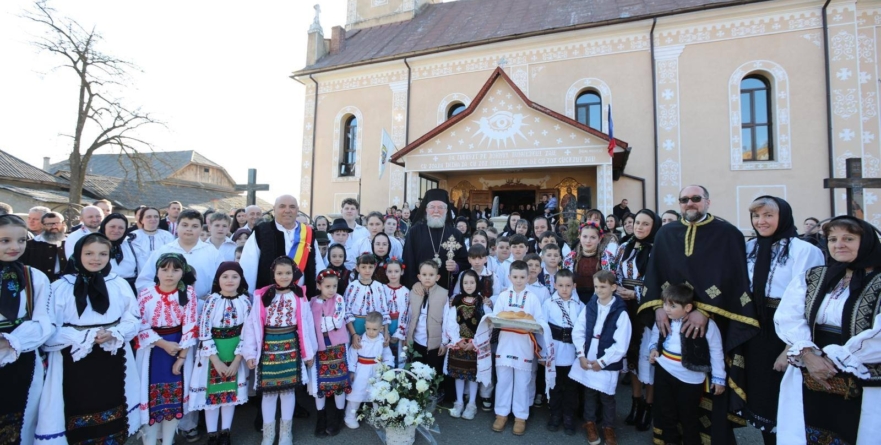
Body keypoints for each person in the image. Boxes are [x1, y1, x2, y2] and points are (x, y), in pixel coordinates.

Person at [638, 185, 759, 443]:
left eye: (695, 199)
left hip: (712, 323)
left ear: (707, 201)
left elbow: (734, 280)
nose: (690, 204)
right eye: (684, 200)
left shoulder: (728, 234)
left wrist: (705, 313)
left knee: (701, 400)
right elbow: (655, 275)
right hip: (671, 319)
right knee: (668, 402)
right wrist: (659, 307)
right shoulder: (666, 234)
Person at [775, 216, 881, 444]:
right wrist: (808, 354)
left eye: (848, 238)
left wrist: (837, 358)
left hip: (865, 373)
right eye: (832, 239)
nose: (838, 244)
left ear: (868, 242)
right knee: (812, 430)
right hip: (811, 370)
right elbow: (789, 317)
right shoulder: (814, 276)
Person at [36, 233, 141, 444]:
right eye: (89, 253)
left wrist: (115, 332)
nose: (96, 259)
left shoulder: (118, 284)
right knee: (76, 404)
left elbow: (134, 318)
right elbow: (48, 331)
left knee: (113, 402)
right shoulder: (60, 287)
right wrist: (82, 336)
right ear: (77, 254)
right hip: (73, 359)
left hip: (112, 355)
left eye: (103, 254)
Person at [742, 196, 824, 443]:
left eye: (768, 215)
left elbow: (808, 302)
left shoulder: (804, 250)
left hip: (787, 330)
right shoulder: (750, 248)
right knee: (761, 396)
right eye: (756, 216)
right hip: (757, 328)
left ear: (783, 217)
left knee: (786, 397)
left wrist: (791, 347)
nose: (761, 221)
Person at [243, 257, 317, 445]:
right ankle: (268, 435)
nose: (284, 277)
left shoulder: (300, 295)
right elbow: (252, 325)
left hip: (290, 346)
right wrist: (250, 353)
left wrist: (309, 352)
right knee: (268, 393)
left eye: (288, 273)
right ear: (273, 274)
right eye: (279, 273)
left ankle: (286, 433)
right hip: (268, 348)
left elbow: (307, 325)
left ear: (294, 274)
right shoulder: (263, 295)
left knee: (288, 392)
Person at [649, 283, 726, 445]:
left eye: (672, 305)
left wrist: (719, 378)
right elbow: (656, 333)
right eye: (665, 304)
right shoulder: (666, 319)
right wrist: (653, 349)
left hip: (691, 377)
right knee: (666, 412)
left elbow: (716, 350)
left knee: (688, 416)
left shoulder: (707, 325)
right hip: (664, 371)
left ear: (688, 307)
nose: (667, 309)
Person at [0, 214, 53, 445]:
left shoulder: (34, 278)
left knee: (21, 421)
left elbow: (44, 322)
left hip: (22, 358)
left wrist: (10, 341)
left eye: (21, 240)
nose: (15, 247)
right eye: (5, 241)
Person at [135, 253, 199, 445]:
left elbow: (190, 326)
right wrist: (162, 344)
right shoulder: (146, 294)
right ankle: (150, 441)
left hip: (178, 349)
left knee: (174, 399)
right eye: (164, 269)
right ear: (157, 271)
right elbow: (140, 325)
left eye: (175, 270)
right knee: (150, 401)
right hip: (152, 351)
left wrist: (181, 357)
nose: (169, 274)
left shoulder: (188, 294)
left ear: (183, 272)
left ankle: (168, 440)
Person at [189, 262, 252, 445]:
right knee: (212, 396)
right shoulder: (212, 301)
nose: (230, 280)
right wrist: (215, 360)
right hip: (212, 355)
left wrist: (236, 360)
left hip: (234, 353)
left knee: (229, 395)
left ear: (241, 279)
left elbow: (247, 332)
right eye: (225, 276)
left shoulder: (244, 302)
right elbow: (203, 331)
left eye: (234, 276)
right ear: (218, 279)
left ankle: (225, 432)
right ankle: (212, 434)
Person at [485, 260, 548, 436]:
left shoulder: (533, 298)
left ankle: (521, 416)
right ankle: (501, 414)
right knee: (503, 380)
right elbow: (495, 317)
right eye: (515, 277)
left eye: (522, 277)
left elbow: (540, 321)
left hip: (524, 345)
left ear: (528, 277)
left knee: (522, 382)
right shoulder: (504, 296)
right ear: (509, 277)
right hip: (505, 343)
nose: (519, 280)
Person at [613, 209, 662, 431]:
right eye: (637, 223)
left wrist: (637, 294)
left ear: (654, 226)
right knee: (631, 356)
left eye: (645, 224)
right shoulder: (625, 247)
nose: (640, 227)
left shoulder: (659, 250)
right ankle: (635, 402)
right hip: (627, 306)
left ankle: (649, 406)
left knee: (646, 357)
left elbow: (663, 281)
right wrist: (619, 289)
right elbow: (615, 272)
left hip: (649, 307)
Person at [569, 270, 630, 445]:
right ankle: (590, 423)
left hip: (607, 358)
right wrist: (581, 354)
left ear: (613, 287)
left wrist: (603, 362)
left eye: (603, 287)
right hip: (589, 354)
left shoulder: (620, 312)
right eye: (596, 286)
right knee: (589, 392)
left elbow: (621, 343)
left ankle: (609, 427)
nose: (599, 290)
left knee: (607, 396)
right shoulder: (591, 306)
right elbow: (579, 330)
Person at [240, 195, 320, 298]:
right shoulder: (261, 232)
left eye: (292, 207)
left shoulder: (308, 233)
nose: (287, 210)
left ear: (297, 210)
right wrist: (250, 298)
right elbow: (249, 267)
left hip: (302, 300)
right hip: (269, 300)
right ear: (274, 209)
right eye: (282, 206)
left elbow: (317, 264)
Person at [137, 210, 223, 303]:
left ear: (201, 228)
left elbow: (223, 279)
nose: (189, 229)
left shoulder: (212, 252)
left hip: (203, 306)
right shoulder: (164, 251)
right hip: (166, 305)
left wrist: (211, 297)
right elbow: (145, 280)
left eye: (195, 226)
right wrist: (162, 295)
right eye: (185, 225)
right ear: (177, 226)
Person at [310, 269, 351, 437]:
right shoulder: (312, 302)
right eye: (327, 286)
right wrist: (321, 322)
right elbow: (310, 323)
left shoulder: (339, 299)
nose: (331, 290)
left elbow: (336, 321)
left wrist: (321, 323)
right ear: (319, 285)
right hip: (318, 348)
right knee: (319, 385)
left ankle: (338, 416)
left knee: (339, 383)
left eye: (334, 286)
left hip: (337, 346)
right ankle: (321, 417)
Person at [403, 189, 469, 291]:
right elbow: (408, 260)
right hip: (419, 289)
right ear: (426, 209)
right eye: (432, 207)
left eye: (441, 207)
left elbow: (465, 262)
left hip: (447, 290)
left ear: (447, 210)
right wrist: (414, 283)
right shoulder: (414, 232)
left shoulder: (456, 235)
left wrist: (456, 267)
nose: (436, 211)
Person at [543, 269, 583, 436]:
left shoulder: (580, 305)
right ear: (554, 285)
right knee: (555, 386)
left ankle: (569, 416)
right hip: (555, 352)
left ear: (574, 285)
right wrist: (544, 352)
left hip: (572, 353)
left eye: (568, 285)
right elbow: (543, 328)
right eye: (560, 285)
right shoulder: (548, 304)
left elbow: (582, 330)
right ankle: (555, 414)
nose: (564, 289)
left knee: (571, 388)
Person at [443, 270, 487, 420]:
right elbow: (451, 322)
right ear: (461, 284)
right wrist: (457, 340)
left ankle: (472, 404)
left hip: (474, 346)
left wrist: (475, 342)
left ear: (477, 283)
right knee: (459, 375)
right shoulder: (456, 301)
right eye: (465, 282)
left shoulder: (481, 302)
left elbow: (486, 325)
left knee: (473, 376)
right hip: (459, 344)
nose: (469, 285)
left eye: (472, 282)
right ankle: (459, 402)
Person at [401, 260, 450, 382]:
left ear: (437, 277)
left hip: (435, 343)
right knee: (415, 373)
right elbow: (408, 316)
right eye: (424, 275)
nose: (427, 278)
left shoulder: (443, 294)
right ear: (419, 277)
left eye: (431, 275)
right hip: (416, 341)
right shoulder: (413, 293)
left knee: (432, 374)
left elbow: (447, 321)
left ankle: (432, 398)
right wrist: (407, 337)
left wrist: (444, 343)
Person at [343, 311, 394, 429]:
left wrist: (388, 368)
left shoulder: (382, 341)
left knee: (377, 394)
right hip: (361, 371)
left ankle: (378, 416)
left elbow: (387, 355)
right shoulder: (360, 340)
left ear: (381, 328)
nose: (371, 332)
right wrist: (351, 371)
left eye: (374, 329)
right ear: (365, 326)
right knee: (356, 393)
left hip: (377, 371)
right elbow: (352, 356)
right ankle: (350, 416)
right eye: (368, 328)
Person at [563, 222, 618, 304]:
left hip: (600, 300)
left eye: (593, 237)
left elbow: (610, 282)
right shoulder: (570, 258)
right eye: (584, 236)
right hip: (574, 301)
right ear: (579, 237)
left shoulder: (607, 257)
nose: (588, 241)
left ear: (599, 239)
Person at [345, 253, 390, 345]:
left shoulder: (379, 286)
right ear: (357, 268)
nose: (367, 270)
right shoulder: (353, 286)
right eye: (363, 267)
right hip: (357, 326)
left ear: (375, 267)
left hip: (375, 327)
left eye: (370, 267)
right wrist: (353, 334)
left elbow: (384, 310)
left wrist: (386, 332)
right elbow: (347, 312)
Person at [21, 211, 68, 282]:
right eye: (49, 224)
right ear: (42, 225)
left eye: (57, 223)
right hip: (39, 283)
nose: (54, 227)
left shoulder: (70, 242)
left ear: (63, 224)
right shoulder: (30, 245)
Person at [99, 213, 140, 290]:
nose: (116, 230)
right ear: (104, 226)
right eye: (112, 226)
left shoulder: (131, 244)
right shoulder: (93, 244)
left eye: (121, 228)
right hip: (103, 287)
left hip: (129, 287)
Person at [383, 258, 408, 364]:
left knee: (400, 356)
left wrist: (399, 333)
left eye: (396, 271)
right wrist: (385, 331)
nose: (393, 274)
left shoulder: (406, 291)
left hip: (399, 324)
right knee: (384, 355)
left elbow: (405, 313)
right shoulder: (382, 289)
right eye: (390, 271)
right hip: (385, 326)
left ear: (402, 272)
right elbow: (381, 309)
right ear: (386, 272)